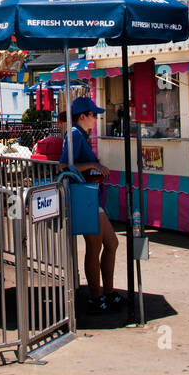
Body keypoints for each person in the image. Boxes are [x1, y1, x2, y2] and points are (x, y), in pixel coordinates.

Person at [60, 96, 120, 313]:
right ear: (83, 116)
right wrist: (93, 164)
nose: (96, 118)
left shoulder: (80, 135)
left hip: (89, 195)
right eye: (93, 114)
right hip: (84, 196)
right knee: (99, 246)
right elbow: (65, 164)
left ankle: (107, 293)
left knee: (108, 244)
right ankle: (98, 296)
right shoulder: (75, 134)